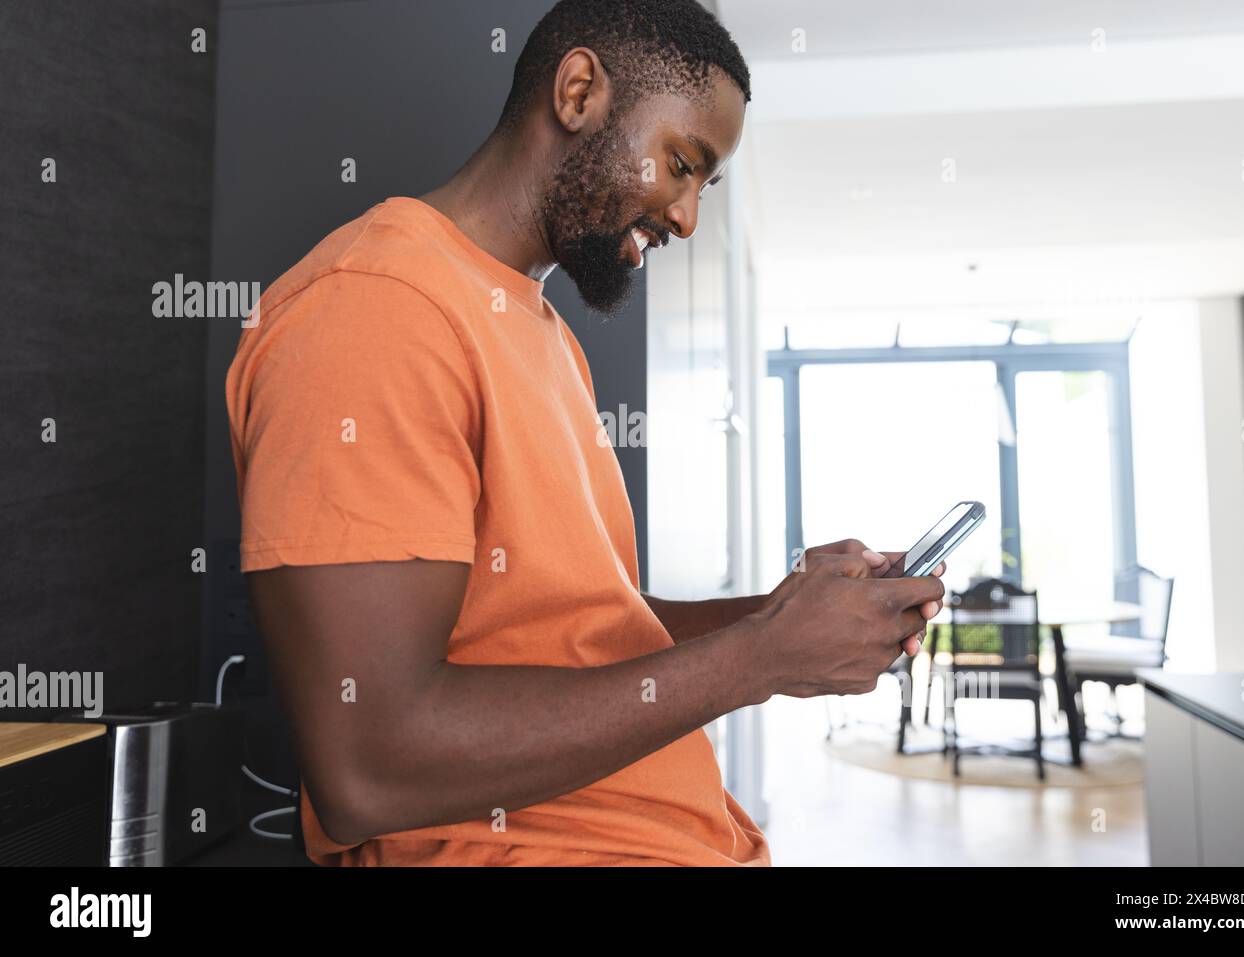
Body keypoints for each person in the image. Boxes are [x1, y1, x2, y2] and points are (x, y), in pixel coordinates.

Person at [225, 0, 945, 867]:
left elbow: (585, 634)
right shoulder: (371, 310)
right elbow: (369, 765)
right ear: (577, 92)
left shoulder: (543, 336)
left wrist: (782, 616)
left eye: (704, 188)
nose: (686, 218)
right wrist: (759, 658)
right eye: (682, 164)